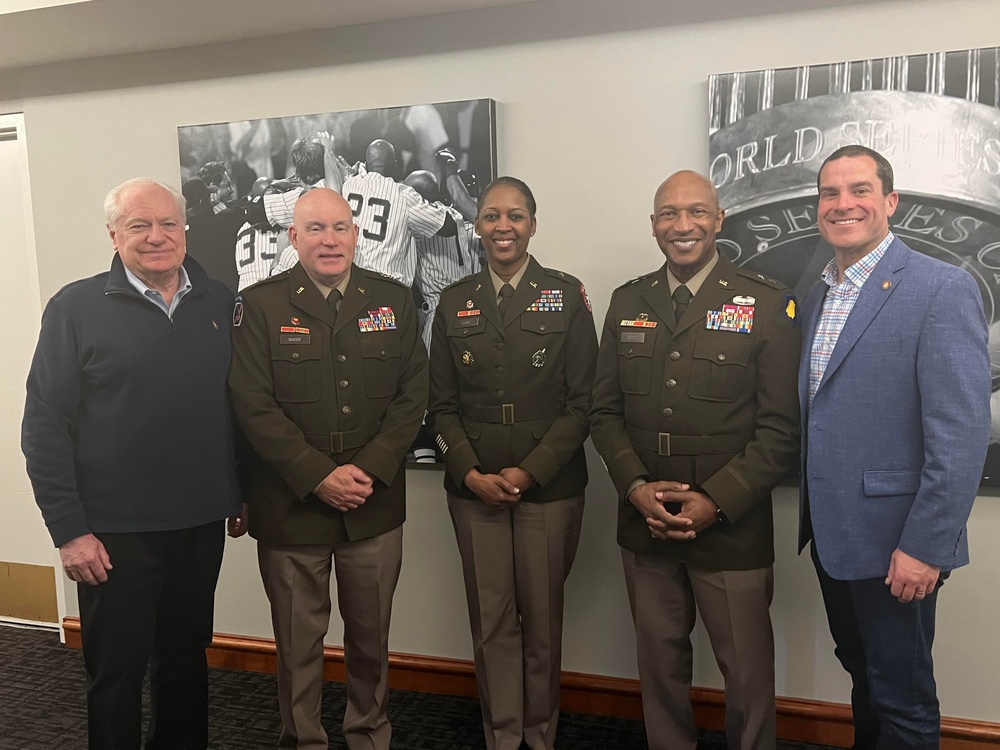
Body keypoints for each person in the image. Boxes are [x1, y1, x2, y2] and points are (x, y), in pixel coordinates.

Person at [21, 177, 246, 749]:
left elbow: (238, 407)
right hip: (113, 534)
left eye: (168, 223)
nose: (156, 237)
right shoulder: (74, 308)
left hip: (199, 523)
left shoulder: (219, 300)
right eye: (139, 226)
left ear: (185, 229)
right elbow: (44, 425)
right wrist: (69, 531)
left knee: (186, 660)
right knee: (116, 673)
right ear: (113, 235)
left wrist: (241, 491)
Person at [589, 170, 801, 750]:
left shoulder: (765, 301)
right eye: (668, 214)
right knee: (659, 669)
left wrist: (717, 501)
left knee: (748, 674)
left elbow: (781, 429)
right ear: (654, 224)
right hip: (646, 520)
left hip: (732, 526)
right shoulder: (629, 300)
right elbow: (603, 413)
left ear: (718, 220)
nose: (682, 226)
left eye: (696, 212)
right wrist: (634, 487)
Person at [798, 145, 990, 749]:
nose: (843, 204)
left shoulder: (940, 289)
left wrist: (925, 547)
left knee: (903, 699)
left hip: (898, 545)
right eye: (830, 193)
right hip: (835, 537)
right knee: (866, 680)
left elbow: (960, 436)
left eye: (859, 190)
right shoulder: (816, 294)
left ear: (890, 201)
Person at [228, 187, 428, 750]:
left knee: (372, 638)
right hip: (291, 505)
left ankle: (368, 734)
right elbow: (251, 403)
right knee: (298, 643)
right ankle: (305, 739)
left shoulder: (394, 299)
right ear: (293, 237)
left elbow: (414, 394)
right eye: (315, 229)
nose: (330, 240)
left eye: (340, 227)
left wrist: (369, 467)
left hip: (374, 501)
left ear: (356, 234)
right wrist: (317, 474)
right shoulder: (260, 305)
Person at [427, 176, 598, 750]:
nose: (504, 227)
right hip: (473, 488)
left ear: (533, 224)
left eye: (516, 216)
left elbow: (584, 404)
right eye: (493, 216)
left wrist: (530, 471)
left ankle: (540, 735)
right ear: (477, 224)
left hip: (548, 489)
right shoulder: (453, 302)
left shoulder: (566, 294)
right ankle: (502, 735)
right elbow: (440, 406)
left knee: (543, 622)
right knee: (491, 620)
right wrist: (469, 472)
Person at [342, 138, 456, 286]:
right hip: (388, 287)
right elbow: (449, 227)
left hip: (353, 283)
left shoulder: (349, 185)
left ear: (366, 164)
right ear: (394, 166)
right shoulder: (403, 194)